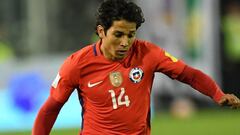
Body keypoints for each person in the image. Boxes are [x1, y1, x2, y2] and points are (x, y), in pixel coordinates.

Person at [32, 0, 240, 134]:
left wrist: (216, 93)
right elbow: (50, 109)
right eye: (119, 34)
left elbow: (188, 75)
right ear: (101, 31)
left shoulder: (147, 53)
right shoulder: (77, 64)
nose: (125, 42)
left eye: (131, 35)